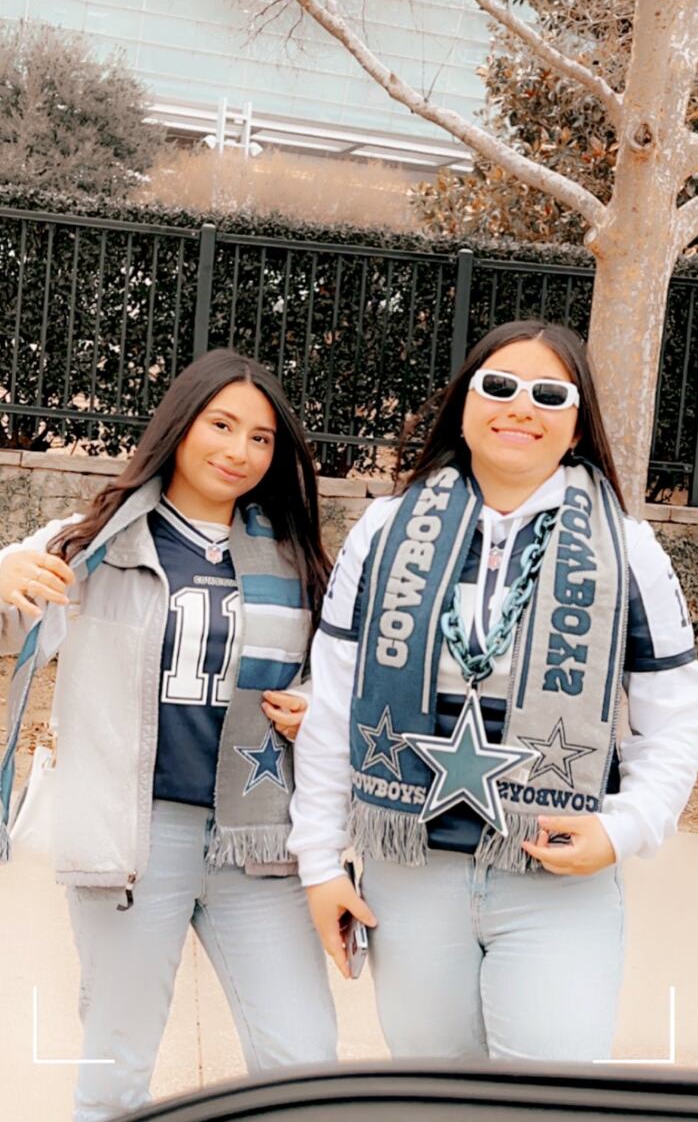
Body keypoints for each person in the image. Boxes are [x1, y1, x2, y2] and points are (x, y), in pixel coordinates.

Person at [288, 319, 698, 1063]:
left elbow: (676, 724)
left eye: (550, 394)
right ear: (465, 404)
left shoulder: (631, 551)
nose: (521, 407)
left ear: (577, 425)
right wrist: (320, 864)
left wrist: (625, 826)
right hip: (410, 877)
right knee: (437, 1104)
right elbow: (332, 710)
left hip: (555, 881)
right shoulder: (381, 532)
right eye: (499, 386)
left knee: (549, 1102)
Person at [0, 350, 337, 1121]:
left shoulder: (297, 556)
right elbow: (10, 617)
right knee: (115, 1074)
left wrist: (317, 703)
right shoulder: (95, 538)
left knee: (303, 1067)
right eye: (222, 425)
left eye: (261, 438)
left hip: (258, 843)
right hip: (133, 840)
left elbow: (341, 676)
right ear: (180, 427)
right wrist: (5, 569)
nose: (239, 450)